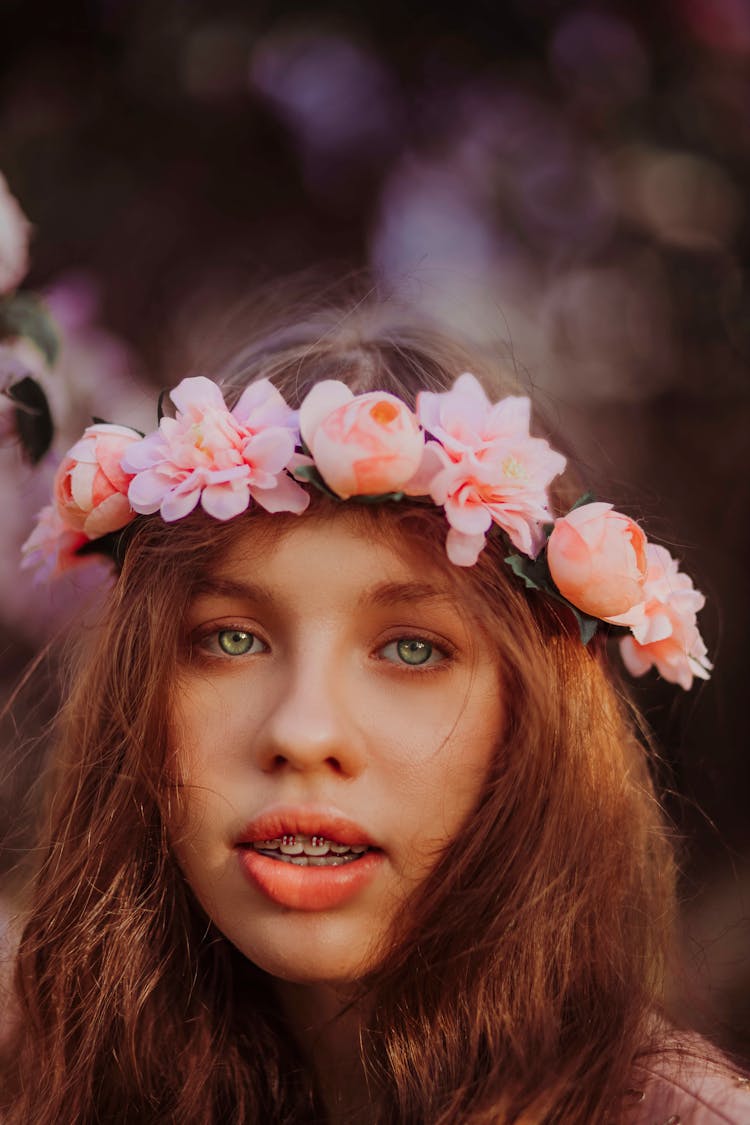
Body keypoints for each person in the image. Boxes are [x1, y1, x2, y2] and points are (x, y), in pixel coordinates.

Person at [1, 291, 747, 1123]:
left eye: (413, 648)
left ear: (533, 722)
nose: (303, 732)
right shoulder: (38, 1086)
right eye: (232, 639)